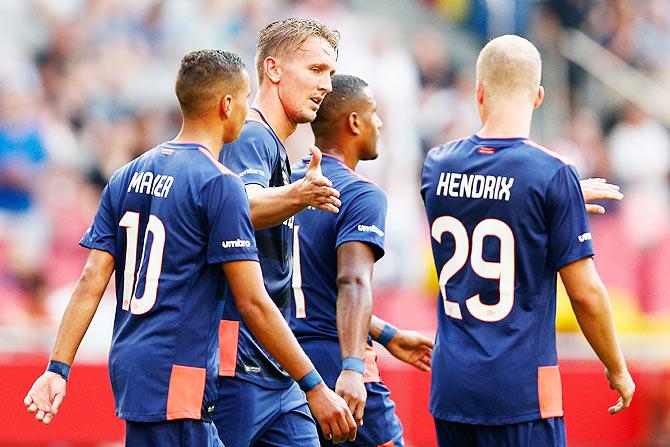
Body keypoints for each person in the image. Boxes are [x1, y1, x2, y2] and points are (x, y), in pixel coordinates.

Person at [22, 49, 353, 446]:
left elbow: (91, 279)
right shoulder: (219, 183)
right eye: (246, 100)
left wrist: (58, 368)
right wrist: (314, 384)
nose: (248, 111)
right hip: (181, 376)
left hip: (131, 367)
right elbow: (253, 301)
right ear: (227, 105)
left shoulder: (126, 174)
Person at [420, 35, 635, 447]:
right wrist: (616, 367)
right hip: (521, 392)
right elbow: (585, 293)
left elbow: (486, 199)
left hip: (452, 388)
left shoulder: (436, 164)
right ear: (538, 96)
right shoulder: (552, 174)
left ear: (479, 92)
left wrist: (560, 200)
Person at [213, 18, 356, 447]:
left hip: (276, 364)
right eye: (315, 70)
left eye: (330, 73)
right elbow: (239, 208)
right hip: (237, 366)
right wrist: (299, 196)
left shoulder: (276, 146)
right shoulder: (250, 135)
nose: (327, 85)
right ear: (273, 70)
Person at [290, 74, 434, 447]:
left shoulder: (283, 189)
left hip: (287, 366)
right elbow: (351, 283)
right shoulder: (360, 193)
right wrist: (353, 368)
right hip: (339, 360)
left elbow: (313, 287)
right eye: (374, 112)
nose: (380, 123)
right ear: (354, 122)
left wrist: (388, 335)